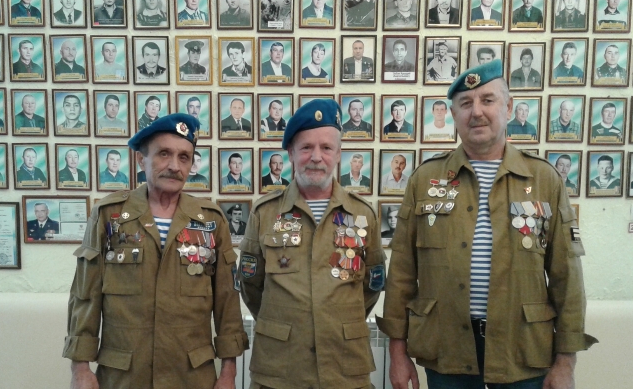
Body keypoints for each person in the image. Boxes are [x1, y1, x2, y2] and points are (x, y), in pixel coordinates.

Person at [380, 59, 596, 389]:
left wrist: (566, 362)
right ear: (454, 115)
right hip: (446, 349)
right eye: (466, 103)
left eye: (487, 100)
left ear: (508, 108)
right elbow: (402, 273)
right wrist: (397, 352)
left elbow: (567, 277)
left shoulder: (543, 179)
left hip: (522, 351)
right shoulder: (425, 179)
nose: (476, 112)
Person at [64, 113, 247, 388]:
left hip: (191, 375)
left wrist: (228, 373)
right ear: (141, 160)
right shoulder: (109, 215)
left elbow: (227, 303)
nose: (174, 166)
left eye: (184, 157)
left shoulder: (210, 220)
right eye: (164, 154)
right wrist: (80, 368)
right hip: (124, 374)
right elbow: (85, 296)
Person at [239, 99, 385, 389]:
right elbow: (250, 285)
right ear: (291, 153)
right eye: (306, 147)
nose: (316, 157)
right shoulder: (264, 213)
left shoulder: (363, 214)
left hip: (345, 365)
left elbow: (372, 285)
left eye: (326, 148)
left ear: (339, 154)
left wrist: (336, 321)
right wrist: (289, 322)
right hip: (280, 368)